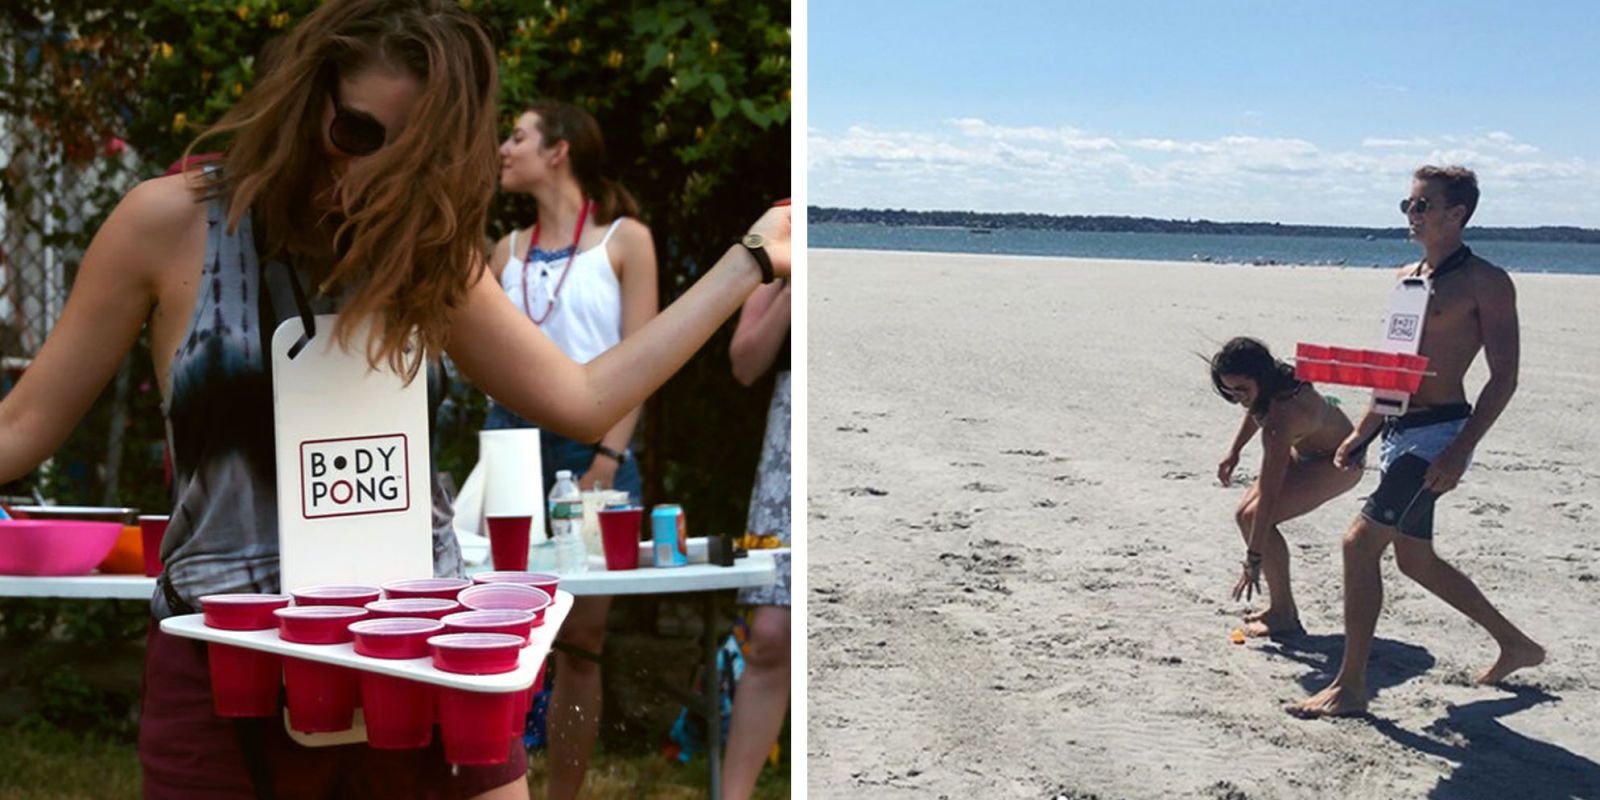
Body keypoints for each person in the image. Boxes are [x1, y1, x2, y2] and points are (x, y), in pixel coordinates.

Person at [0, 2, 790, 797]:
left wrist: (749, 261)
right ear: (308, 99)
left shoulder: (425, 250)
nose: (367, 175)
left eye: (407, 155)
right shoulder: (168, 224)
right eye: (356, 133)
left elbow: (582, 399)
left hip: (414, 653)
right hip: (226, 665)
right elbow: (22, 426)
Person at [1289, 165, 1543, 718]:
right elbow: (1393, 372)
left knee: (1359, 545)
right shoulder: (1407, 277)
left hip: (1441, 434)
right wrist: (1362, 431)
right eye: (1407, 205)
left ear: (1458, 214)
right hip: (1398, 432)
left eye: (1422, 206)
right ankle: (1517, 645)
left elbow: (1504, 377)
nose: (1412, 214)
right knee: (1415, 560)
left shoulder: (1487, 282)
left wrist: (1458, 450)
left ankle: (1351, 687)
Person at [484, 100, 656, 799]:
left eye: (517, 136)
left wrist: (608, 460)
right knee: (505, 637)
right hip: (511, 444)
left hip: (596, 449)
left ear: (558, 152)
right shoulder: (504, 252)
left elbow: (641, 360)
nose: (503, 148)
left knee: (581, 643)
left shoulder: (626, 241)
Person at [1209, 336, 1363, 637]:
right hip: (1308, 450)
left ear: (1260, 377)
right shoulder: (1272, 385)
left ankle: (1284, 614)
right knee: (1244, 515)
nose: (1238, 397)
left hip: (1338, 462)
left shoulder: (1282, 420)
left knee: (1256, 518)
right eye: (1230, 392)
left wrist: (1252, 560)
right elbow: (1256, 409)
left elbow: (1268, 495)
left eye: (1242, 389)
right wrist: (1235, 450)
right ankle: (1282, 608)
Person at [721, 277, 791, 799]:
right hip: (790, 440)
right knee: (769, 632)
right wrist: (791, 290)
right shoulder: (782, 236)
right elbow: (744, 363)